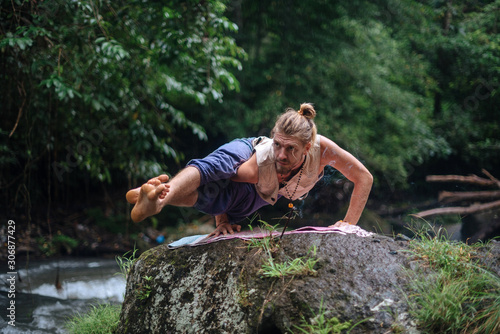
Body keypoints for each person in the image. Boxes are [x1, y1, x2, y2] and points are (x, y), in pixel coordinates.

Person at [126, 103, 373, 237]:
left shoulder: (324, 150)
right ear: (273, 137)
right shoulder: (261, 162)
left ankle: (146, 195)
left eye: (291, 149)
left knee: (213, 201)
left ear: (307, 147)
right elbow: (217, 173)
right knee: (215, 168)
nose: (281, 155)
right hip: (247, 154)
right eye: (277, 144)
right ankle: (158, 201)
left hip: (260, 194)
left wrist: (347, 225)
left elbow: (363, 177)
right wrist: (222, 219)